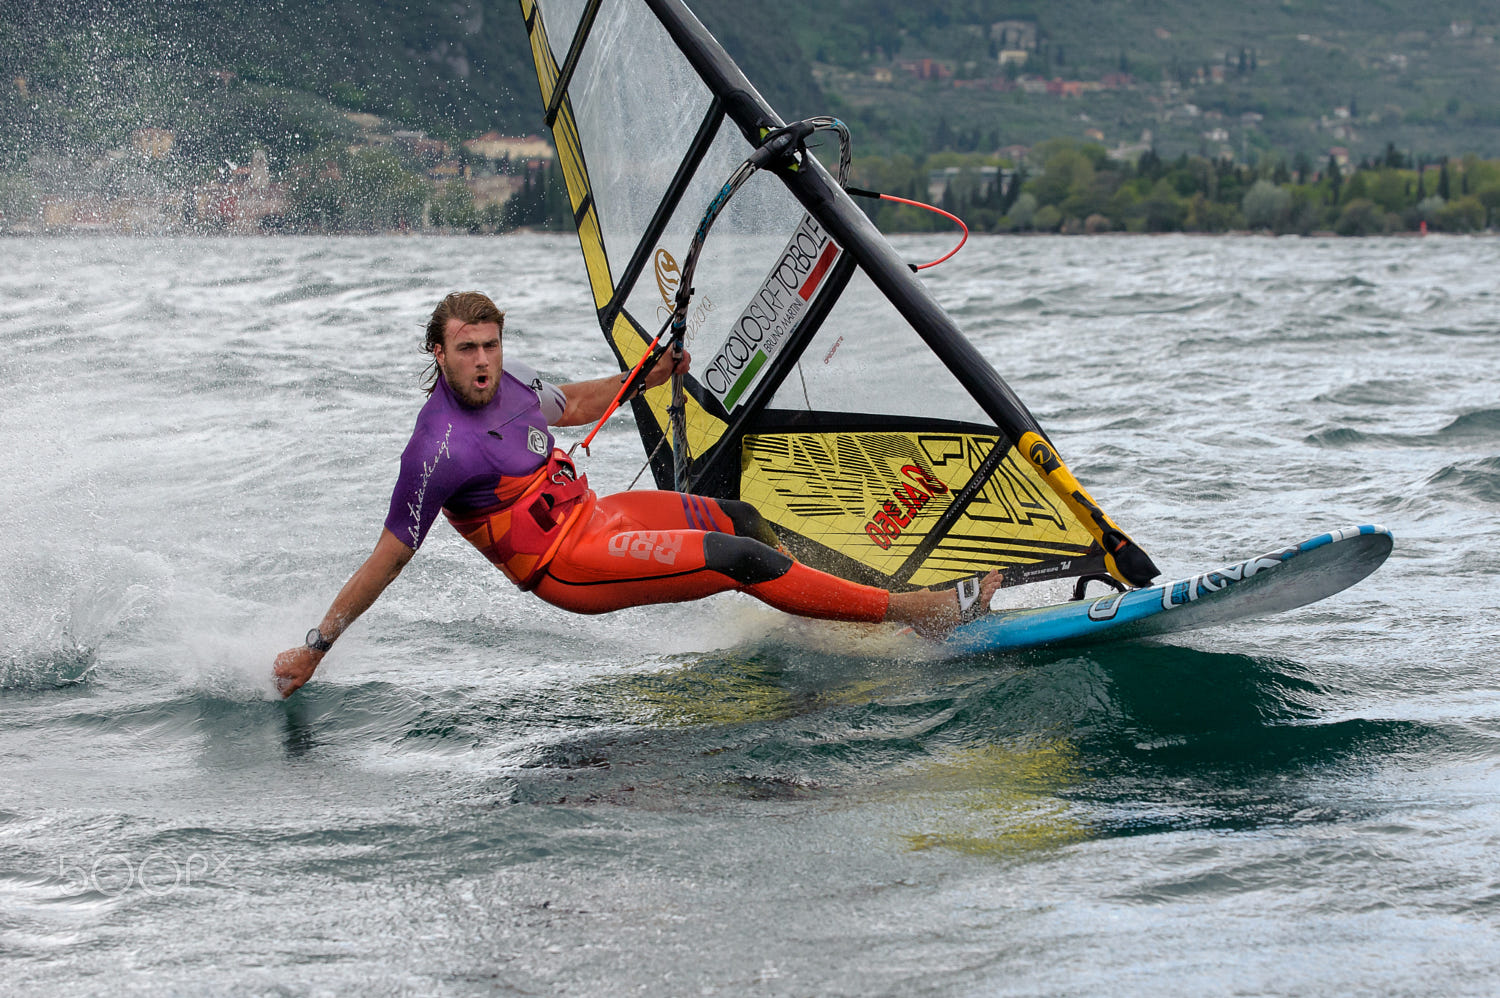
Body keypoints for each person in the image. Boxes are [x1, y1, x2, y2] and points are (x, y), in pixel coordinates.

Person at [273, 292, 1000, 696]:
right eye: (467, 349)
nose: (484, 360)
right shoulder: (435, 451)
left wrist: (646, 374)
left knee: (742, 517)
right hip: (567, 564)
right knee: (737, 556)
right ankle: (917, 614)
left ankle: (851, 599)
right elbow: (387, 560)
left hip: (597, 514)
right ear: (438, 353)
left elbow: (574, 404)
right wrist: (317, 645)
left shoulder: (513, 383)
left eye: (491, 344)